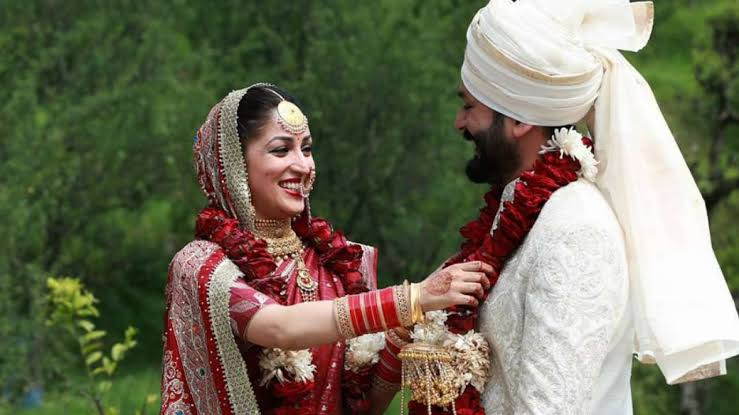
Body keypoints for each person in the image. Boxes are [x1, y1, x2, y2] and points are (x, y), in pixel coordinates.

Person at [403, 1, 739, 414]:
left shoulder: (575, 231)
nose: (459, 122)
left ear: (520, 122)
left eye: (470, 106)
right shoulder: (523, 211)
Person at [159, 83, 492, 415]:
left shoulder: (340, 263)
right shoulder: (203, 267)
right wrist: (414, 298)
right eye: (281, 150)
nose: (303, 166)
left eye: (306, 149)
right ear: (233, 166)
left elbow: (365, 405)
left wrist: (404, 332)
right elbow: (280, 327)